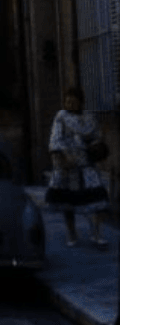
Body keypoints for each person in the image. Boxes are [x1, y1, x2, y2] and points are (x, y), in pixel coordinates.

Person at [45, 87, 111, 248]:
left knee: (96, 199)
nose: (70, 105)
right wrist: (62, 157)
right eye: (67, 101)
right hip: (68, 165)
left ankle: (96, 233)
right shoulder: (61, 117)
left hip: (86, 163)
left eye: (73, 102)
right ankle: (72, 233)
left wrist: (97, 147)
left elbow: (96, 136)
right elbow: (55, 139)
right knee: (68, 202)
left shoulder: (89, 118)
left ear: (80, 102)